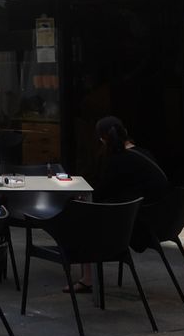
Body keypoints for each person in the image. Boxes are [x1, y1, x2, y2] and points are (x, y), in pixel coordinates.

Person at [65, 116, 171, 291]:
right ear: (125, 132)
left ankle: (87, 279)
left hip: (138, 225)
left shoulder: (118, 160)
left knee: (82, 217)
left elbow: (101, 193)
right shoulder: (143, 153)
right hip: (160, 219)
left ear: (102, 139)